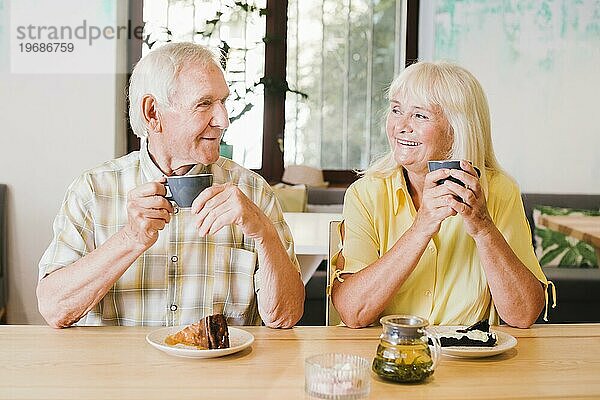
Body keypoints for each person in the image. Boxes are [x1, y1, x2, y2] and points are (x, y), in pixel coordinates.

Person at [37, 42, 305, 329]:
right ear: (153, 113)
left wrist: (264, 233)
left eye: (223, 102)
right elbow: (54, 309)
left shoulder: (252, 192)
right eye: (204, 104)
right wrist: (130, 238)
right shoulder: (92, 191)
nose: (223, 120)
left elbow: (286, 316)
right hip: (119, 372)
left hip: (223, 372)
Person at [331, 61, 550, 329]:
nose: (401, 125)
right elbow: (353, 313)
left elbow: (523, 314)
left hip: (470, 361)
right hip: (389, 356)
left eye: (420, 116)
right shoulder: (366, 193)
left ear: (457, 129)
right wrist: (422, 227)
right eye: (396, 110)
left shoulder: (500, 191)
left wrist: (483, 227)